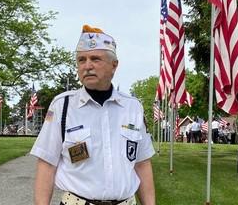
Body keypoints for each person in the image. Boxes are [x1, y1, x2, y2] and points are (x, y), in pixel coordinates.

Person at [31, 25, 155, 205]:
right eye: (81, 60)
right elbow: (47, 165)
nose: (87, 66)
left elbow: (142, 164)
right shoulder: (63, 106)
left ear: (114, 65)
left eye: (95, 59)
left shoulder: (132, 107)